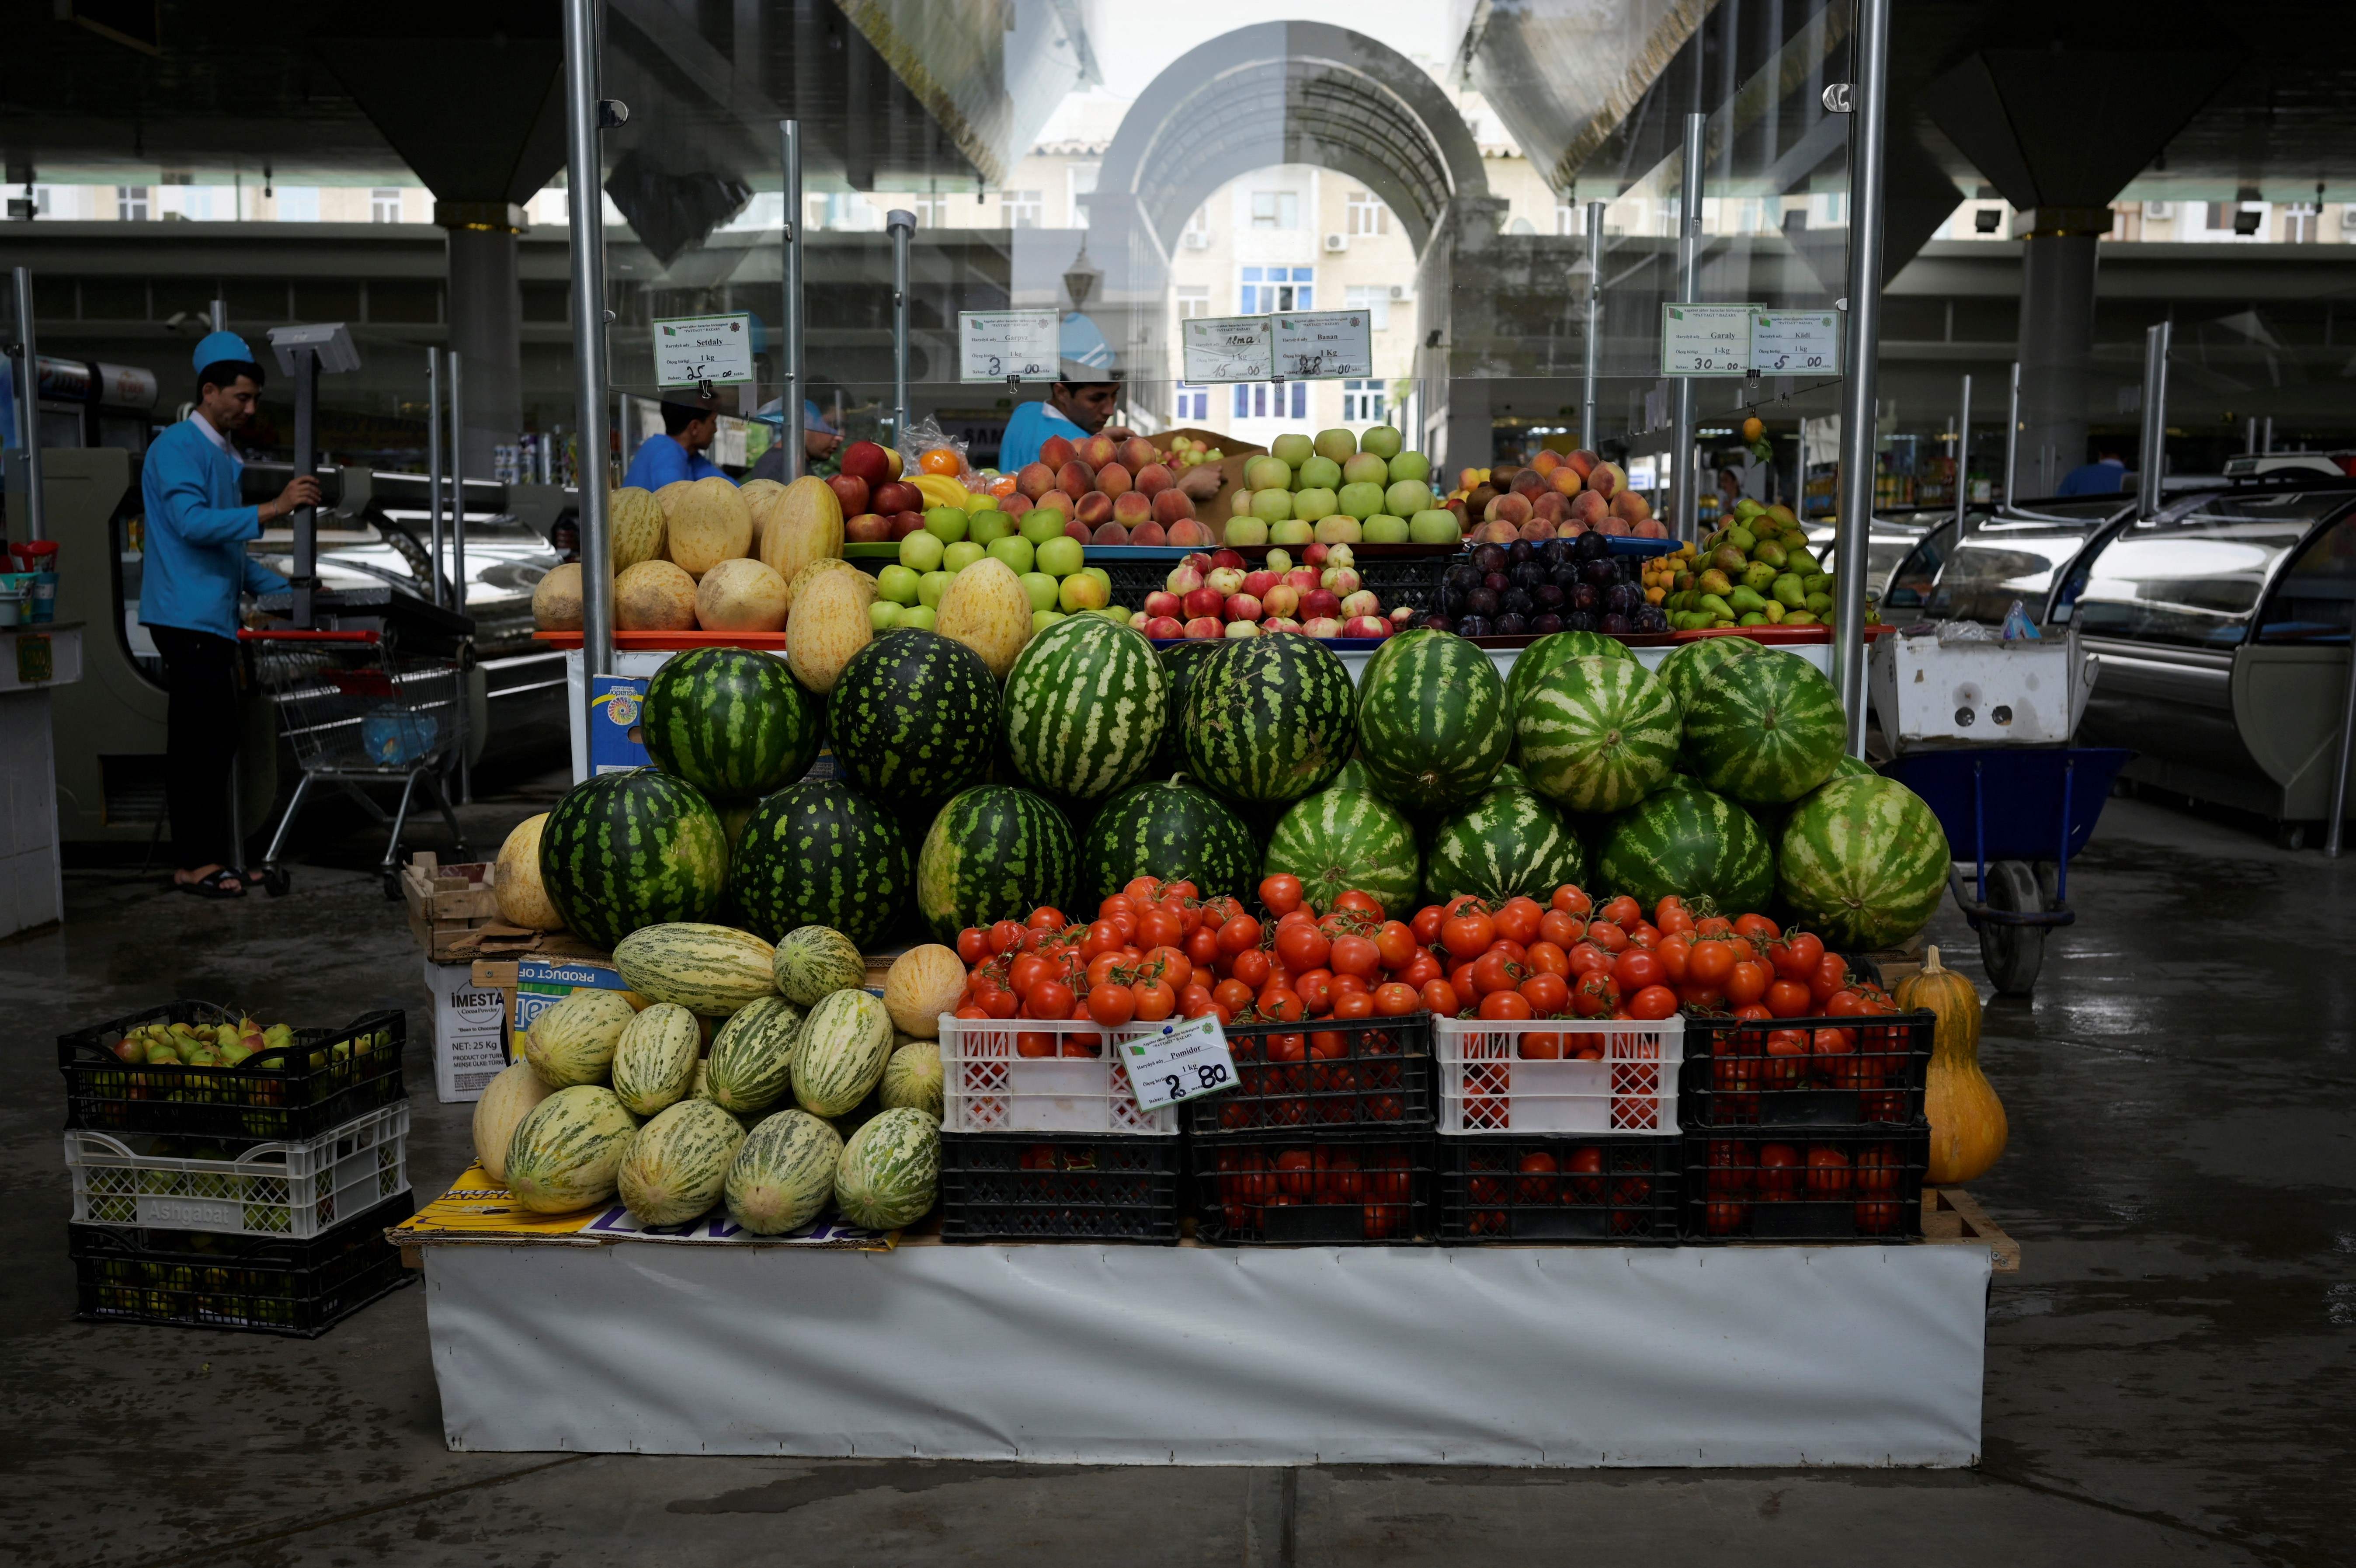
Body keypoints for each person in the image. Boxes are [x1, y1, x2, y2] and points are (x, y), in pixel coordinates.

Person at [140, 331, 317, 899]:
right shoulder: (176, 448)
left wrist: (298, 592)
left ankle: (222, 857)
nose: (250, 408)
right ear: (208, 390)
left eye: (255, 398)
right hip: (185, 618)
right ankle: (195, 863)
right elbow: (193, 525)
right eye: (241, 397)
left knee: (216, 744)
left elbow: (230, 554)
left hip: (211, 620)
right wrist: (276, 507)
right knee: (200, 746)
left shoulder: (221, 455)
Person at [997, 377, 1121, 473]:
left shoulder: (1025, 411)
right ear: (1061, 392)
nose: (1109, 411)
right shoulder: (1075, 452)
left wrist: (1098, 437)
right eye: (1096, 399)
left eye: (1114, 394)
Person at [621, 389, 731, 490]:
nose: (716, 430)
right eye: (713, 421)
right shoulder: (667, 457)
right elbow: (676, 505)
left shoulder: (689, 456)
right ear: (695, 428)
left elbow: (728, 485)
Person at [745, 400, 843, 484]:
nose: (840, 437)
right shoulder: (784, 468)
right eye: (832, 425)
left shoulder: (786, 464)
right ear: (805, 419)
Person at [2056, 438, 2130, 497]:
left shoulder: (2078, 474)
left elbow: (2059, 503)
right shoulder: (2132, 479)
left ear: (2100, 455)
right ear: (2126, 459)